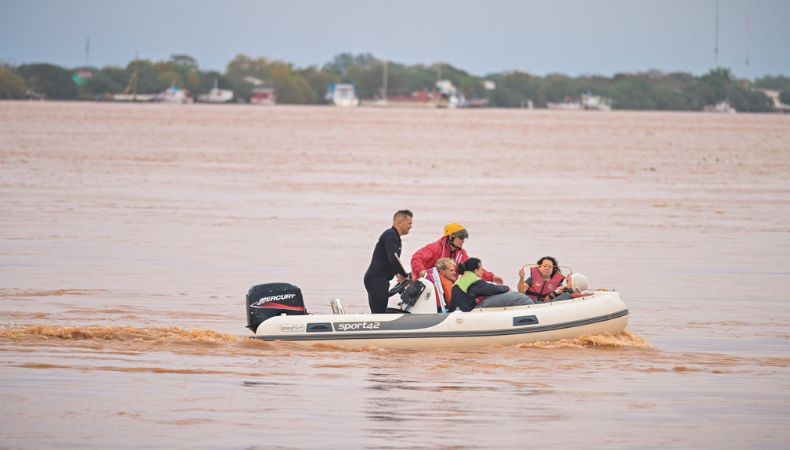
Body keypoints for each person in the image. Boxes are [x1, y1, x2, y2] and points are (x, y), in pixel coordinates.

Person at [410, 223, 503, 284]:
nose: (462, 241)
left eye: (464, 239)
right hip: (427, 284)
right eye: (460, 238)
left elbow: (474, 268)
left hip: (445, 286)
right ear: (450, 237)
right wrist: (421, 271)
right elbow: (416, 258)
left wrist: (492, 277)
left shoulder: (462, 254)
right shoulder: (435, 248)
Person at [364, 210, 413, 313]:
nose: (411, 226)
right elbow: (393, 258)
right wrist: (404, 275)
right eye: (409, 223)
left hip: (380, 279)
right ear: (400, 222)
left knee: (379, 311)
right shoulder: (390, 234)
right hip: (376, 279)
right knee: (378, 313)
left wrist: (398, 274)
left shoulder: (395, 237)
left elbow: (390, 259)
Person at [451, 258, 533, 312]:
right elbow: (492, 289)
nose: (482, 272)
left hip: (460, 310)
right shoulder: (473, 280)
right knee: (515, 296)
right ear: (475, 270)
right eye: (481, 270)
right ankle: (533, 308)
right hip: (469, 312)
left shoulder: (463, 278)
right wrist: (507, 288)